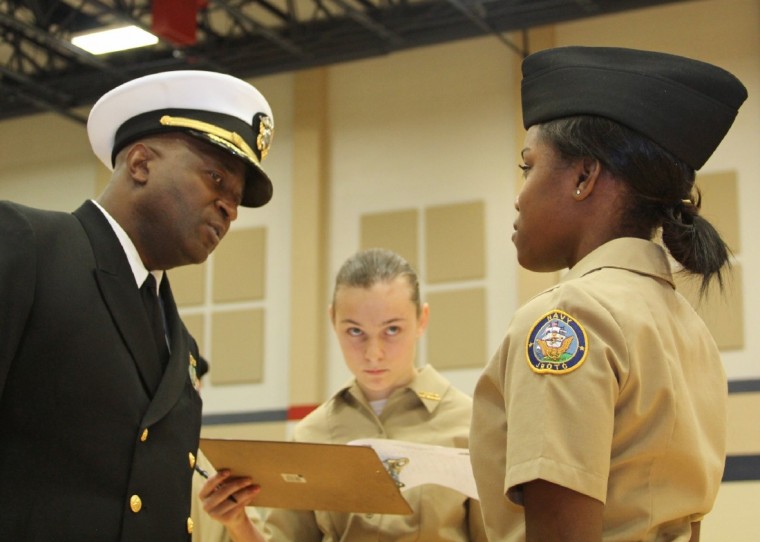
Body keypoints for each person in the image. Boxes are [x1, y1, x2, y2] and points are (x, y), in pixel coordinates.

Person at [469, 46, 748, 541]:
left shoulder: (568, 316)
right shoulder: (688, 327)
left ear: (584, 176)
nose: (519, 193)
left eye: (528, 167)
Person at [0, 70, 276, 541]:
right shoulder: (29, 246)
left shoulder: (180, 346)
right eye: (215, 178)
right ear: (141, 163)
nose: (229, 208)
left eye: (235, 199)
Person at [198, 248, 487, 541]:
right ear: (333, 320)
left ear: (422, 320)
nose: (373, 353)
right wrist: (238, 524)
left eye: (392, 329)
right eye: (355, 332)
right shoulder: (313, 432)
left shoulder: (469, 424)